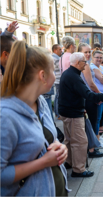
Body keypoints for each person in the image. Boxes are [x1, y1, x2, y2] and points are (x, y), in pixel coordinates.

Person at [1, 41, 70, 196]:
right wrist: (44, 162)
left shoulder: (40, 103)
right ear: (43, 75)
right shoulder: (5, 116)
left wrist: (60, 147)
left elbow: (46, 140)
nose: (56, 74)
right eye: (54, 70)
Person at [58, 52, 103, 178]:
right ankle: (78, 169)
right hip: (72, 113)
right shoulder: (73, 76)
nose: (86, 63)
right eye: (84, 61)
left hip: (68, 111)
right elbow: (88, 94)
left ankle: (70, 162)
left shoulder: (70, 73)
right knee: (80, 141)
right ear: (78, 63)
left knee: (70, 139)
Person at [78, 43, 103, 154]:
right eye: (85, 52)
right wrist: (99, 95)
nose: (87, 54)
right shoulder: (85, 65)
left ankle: (94, 144)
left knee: (95, 120)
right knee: (93, 121)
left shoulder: (85, 64)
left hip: (90, 96)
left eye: (88, 51)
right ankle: (92, 147)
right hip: (90, 97)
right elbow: (90, 83)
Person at [52, 44, 63, 119]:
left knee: (58, 96)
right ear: (55, 50)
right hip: (58, 80)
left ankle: (57, 113)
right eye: (59, 49)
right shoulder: (55, 58)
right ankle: (58, 114)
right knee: (58, 96)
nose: (61, 51)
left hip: (58, 79)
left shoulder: (57, 58)